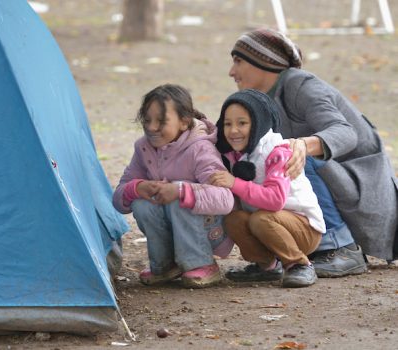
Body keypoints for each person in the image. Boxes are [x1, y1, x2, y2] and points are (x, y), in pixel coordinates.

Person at [226, 28, 398, 276]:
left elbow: (346, 132)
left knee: (291, 154)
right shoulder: (262, 98)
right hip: (336, 182)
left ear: (262, 61)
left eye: (238, 61)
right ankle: (273, 259)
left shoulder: (300, 84)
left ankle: (341, 248)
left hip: (364, 184)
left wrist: (304, 145)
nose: (232, 71)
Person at [112, 84, 235, 288]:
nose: (151, 127)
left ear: (184, 122)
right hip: (174, 228)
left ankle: (202, 262)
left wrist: (180, 190)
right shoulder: (144, 148)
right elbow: (118, 199)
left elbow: (225, 199)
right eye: (147, 120)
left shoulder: (200, 148)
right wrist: (138, 188)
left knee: (180, 199)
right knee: (142, 203)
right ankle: (165, 265)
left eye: (161, 121)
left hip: (209, 230)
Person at [210, 89, 325, 287]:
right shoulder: (235, 154)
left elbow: (275, 200)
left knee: (260, 219)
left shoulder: (277, 152)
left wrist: (234, 183)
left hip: (303, 229)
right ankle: (267, 265)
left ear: (259, 122)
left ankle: (300, 264)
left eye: (242, 123)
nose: (233, 130)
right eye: (227, 124)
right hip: (268, 225)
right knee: (234, 219)